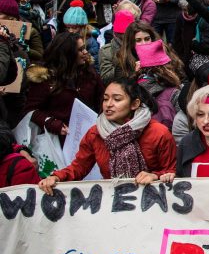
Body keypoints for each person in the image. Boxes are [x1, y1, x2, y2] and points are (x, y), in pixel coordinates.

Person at [39, 79, 176, 193]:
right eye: (105, 99)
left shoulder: (159, 132)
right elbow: (79, 167)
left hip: (153, 202)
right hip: (113, 201)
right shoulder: (95, 133)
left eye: (117, 99)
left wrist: (155, 176)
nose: (108, 105)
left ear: (134, 104)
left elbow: (171, 171)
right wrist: (56, 177)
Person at [24, 33, 105, 143]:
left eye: (84, 48)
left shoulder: (89, 73)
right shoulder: (46, 78)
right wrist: (51, 123)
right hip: (56, 139)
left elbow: (101, 100)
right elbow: (31, 110)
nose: (85, 52)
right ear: (68, 54)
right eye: (80, 50)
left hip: (88, 136)